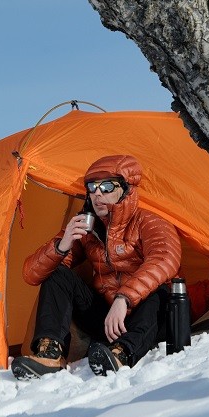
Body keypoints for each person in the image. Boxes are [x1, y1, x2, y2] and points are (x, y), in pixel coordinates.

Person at [11, 154, 182, 379]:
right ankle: (50, 353)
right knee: (58, 275)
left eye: (107, 186)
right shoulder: (87, 227)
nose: (98, 193)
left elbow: (165, 259)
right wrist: (62, 245)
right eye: (92, 187)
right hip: (108, 319)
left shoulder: (148, 222)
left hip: (148, 319)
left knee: (159, 292)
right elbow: (31, 275)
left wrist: (124, 298)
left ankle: (122, 354)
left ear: (126, 189)